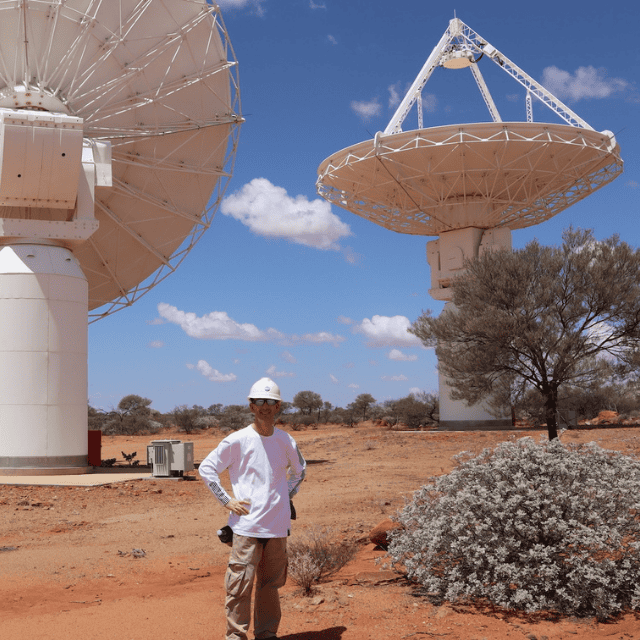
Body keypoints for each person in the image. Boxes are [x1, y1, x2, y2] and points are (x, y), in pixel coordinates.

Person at [199, 377, 306, 640]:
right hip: (246, 527)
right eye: (259, 401)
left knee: (270, 586)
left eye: (270, 401)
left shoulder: (285, 440)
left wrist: (286, 496)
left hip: (277, 527)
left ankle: (267, 634)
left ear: (278, 406)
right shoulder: (237, 440)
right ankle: (236, 636)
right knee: (239, 587)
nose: (265, 406)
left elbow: (300, 471)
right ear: (251, 406)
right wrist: (226, 500)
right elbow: (206, 469)